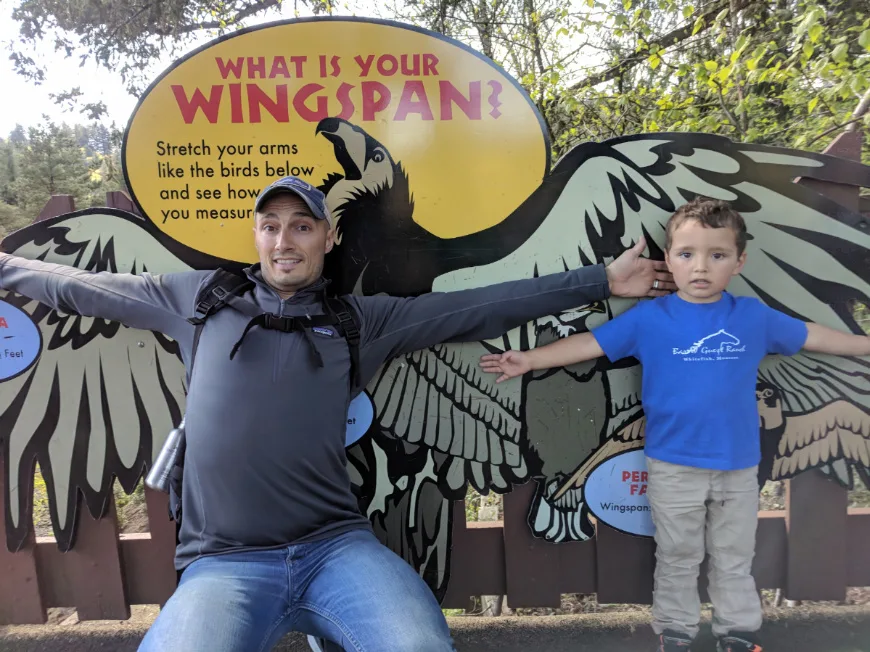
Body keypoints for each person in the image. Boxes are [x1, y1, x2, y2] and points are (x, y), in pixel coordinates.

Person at [0, 175, 674, 652]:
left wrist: (598, 282)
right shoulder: (199, 299)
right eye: (271, 226)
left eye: (300, 226)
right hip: (224, 564)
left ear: (325, 238)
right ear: (256, 236)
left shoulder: (359, 320)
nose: (284, 240)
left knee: (416, 645)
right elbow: (81, 287)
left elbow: (479, 306)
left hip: (335, 549)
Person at [479, 197, 870, 652]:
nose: (700, 267)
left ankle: (738, 633)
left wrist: (865, 346)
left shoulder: (753, 318)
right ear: (669, 259)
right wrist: (528, 360)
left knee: (733, 558)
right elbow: (589, 344)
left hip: (738, 467)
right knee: (679, 557)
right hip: (672, 467)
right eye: (687, 254)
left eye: (717, 255)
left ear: (739, 262)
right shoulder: (650, 318)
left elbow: (815, 335)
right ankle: (677, 632)